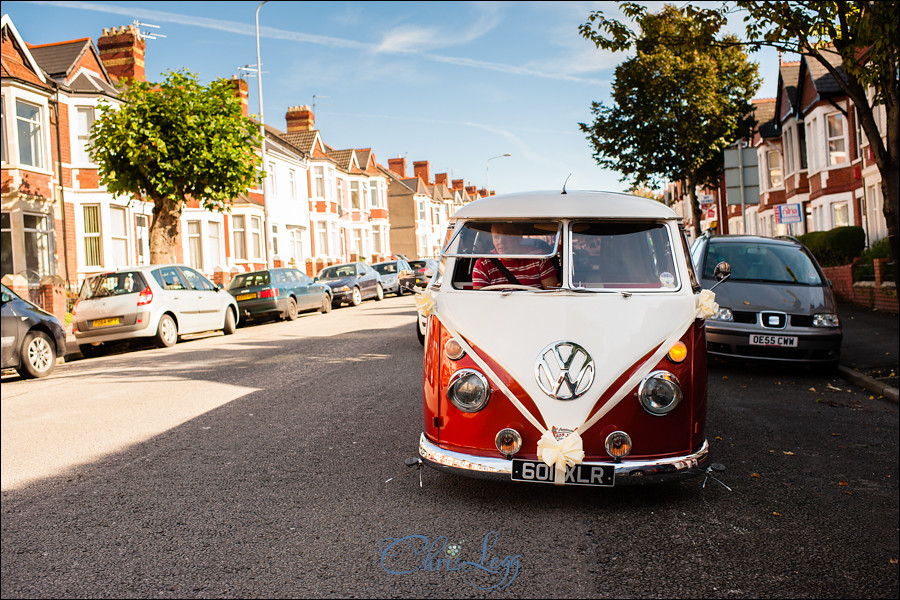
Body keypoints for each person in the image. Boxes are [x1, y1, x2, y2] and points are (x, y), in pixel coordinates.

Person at [472, 223, 559, 289]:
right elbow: (480, 302)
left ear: (519, 236)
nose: (501, 242)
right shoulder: (483, 264)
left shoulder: (540, 258)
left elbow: (553, 295)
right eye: (496, 237)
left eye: (506, 235)